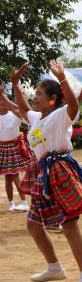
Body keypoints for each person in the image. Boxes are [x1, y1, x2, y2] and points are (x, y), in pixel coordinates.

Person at [11, 61, 82, 282]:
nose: (35, 97)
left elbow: (72, 104)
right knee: (33, 224)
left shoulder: (62, 115)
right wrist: (14, 84)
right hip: (44, 172)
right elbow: (22, 107)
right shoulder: (36, 118)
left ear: (52, 99)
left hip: (60, 169)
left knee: (69, 224)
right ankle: (54, 268)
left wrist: (62, 78)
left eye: (39, 94)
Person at [0, 81, 30, 211]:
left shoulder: (15, 115)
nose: (3, 103)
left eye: (5, 101)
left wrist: (19, 94)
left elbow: (21, 109)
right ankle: (11, 202)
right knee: (7, 177)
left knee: (14, 175)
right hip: (2, 149)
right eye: (1, 100)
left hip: (14, 147)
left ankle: (24, 202)